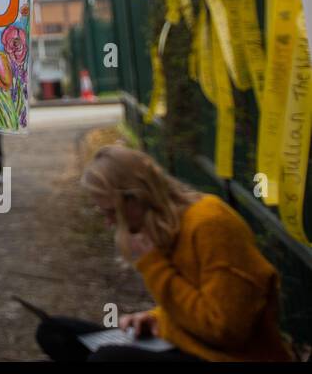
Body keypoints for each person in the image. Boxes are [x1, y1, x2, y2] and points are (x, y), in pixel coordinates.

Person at [35, 145, 293, 362]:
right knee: (55, 332)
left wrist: (156, 267)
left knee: (108, 359)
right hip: (186, 342)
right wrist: (154, 318)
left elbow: (225, 331)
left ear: (135, 198)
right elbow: (192, 302)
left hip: (228, 357)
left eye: (112, 213)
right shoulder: (164, 229)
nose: (110, 223)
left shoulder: (210, 223)